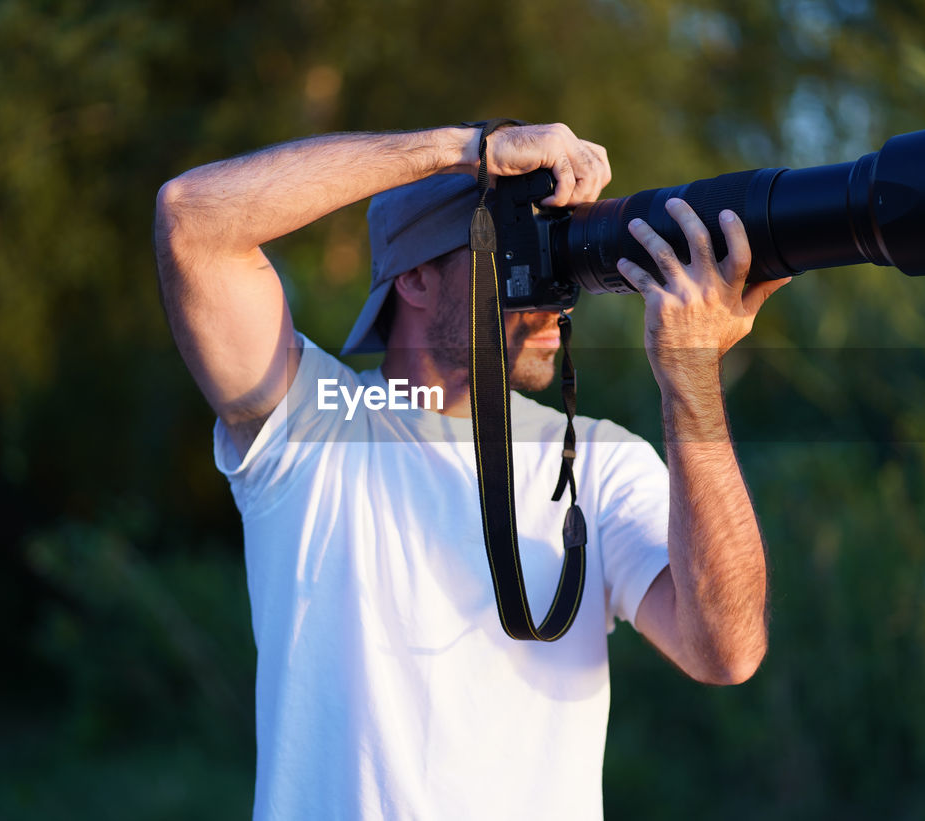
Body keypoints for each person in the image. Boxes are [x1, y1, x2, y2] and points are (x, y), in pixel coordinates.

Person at [153, 121, 791, 820]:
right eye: (515, 248)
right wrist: (467, 151)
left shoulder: (599, 461)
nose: (554, 289)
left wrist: (692, 379)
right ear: (418, 277)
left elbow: (726, 650)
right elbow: (190, 218)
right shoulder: (318, 424)